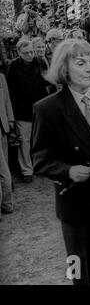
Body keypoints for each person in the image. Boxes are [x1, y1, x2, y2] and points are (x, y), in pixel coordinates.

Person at [31, 39, 90, 285]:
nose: (89, 69)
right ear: (64, 68)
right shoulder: (47, 108)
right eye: (81, 63)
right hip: (76, 205)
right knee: (79, 269)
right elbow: (40, 159)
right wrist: (68, 170)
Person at [6, 39, 48, 183]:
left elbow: (46, 84)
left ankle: (39, 165)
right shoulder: (13, 66)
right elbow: (10, 91)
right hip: (22, 109)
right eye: (26, 53)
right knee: (24, 140)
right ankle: (27, 170)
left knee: (40, 139)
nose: (30, 55)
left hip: (39, 107)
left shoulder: (39, 62)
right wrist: (12, 114)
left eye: (31, 51)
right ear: (19, 53)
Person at [0, 72, 14, 218]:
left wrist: (10, 120)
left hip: (2, 126)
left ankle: (7, 203)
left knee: (4, 167)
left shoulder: (1, 77)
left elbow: (7, 100)